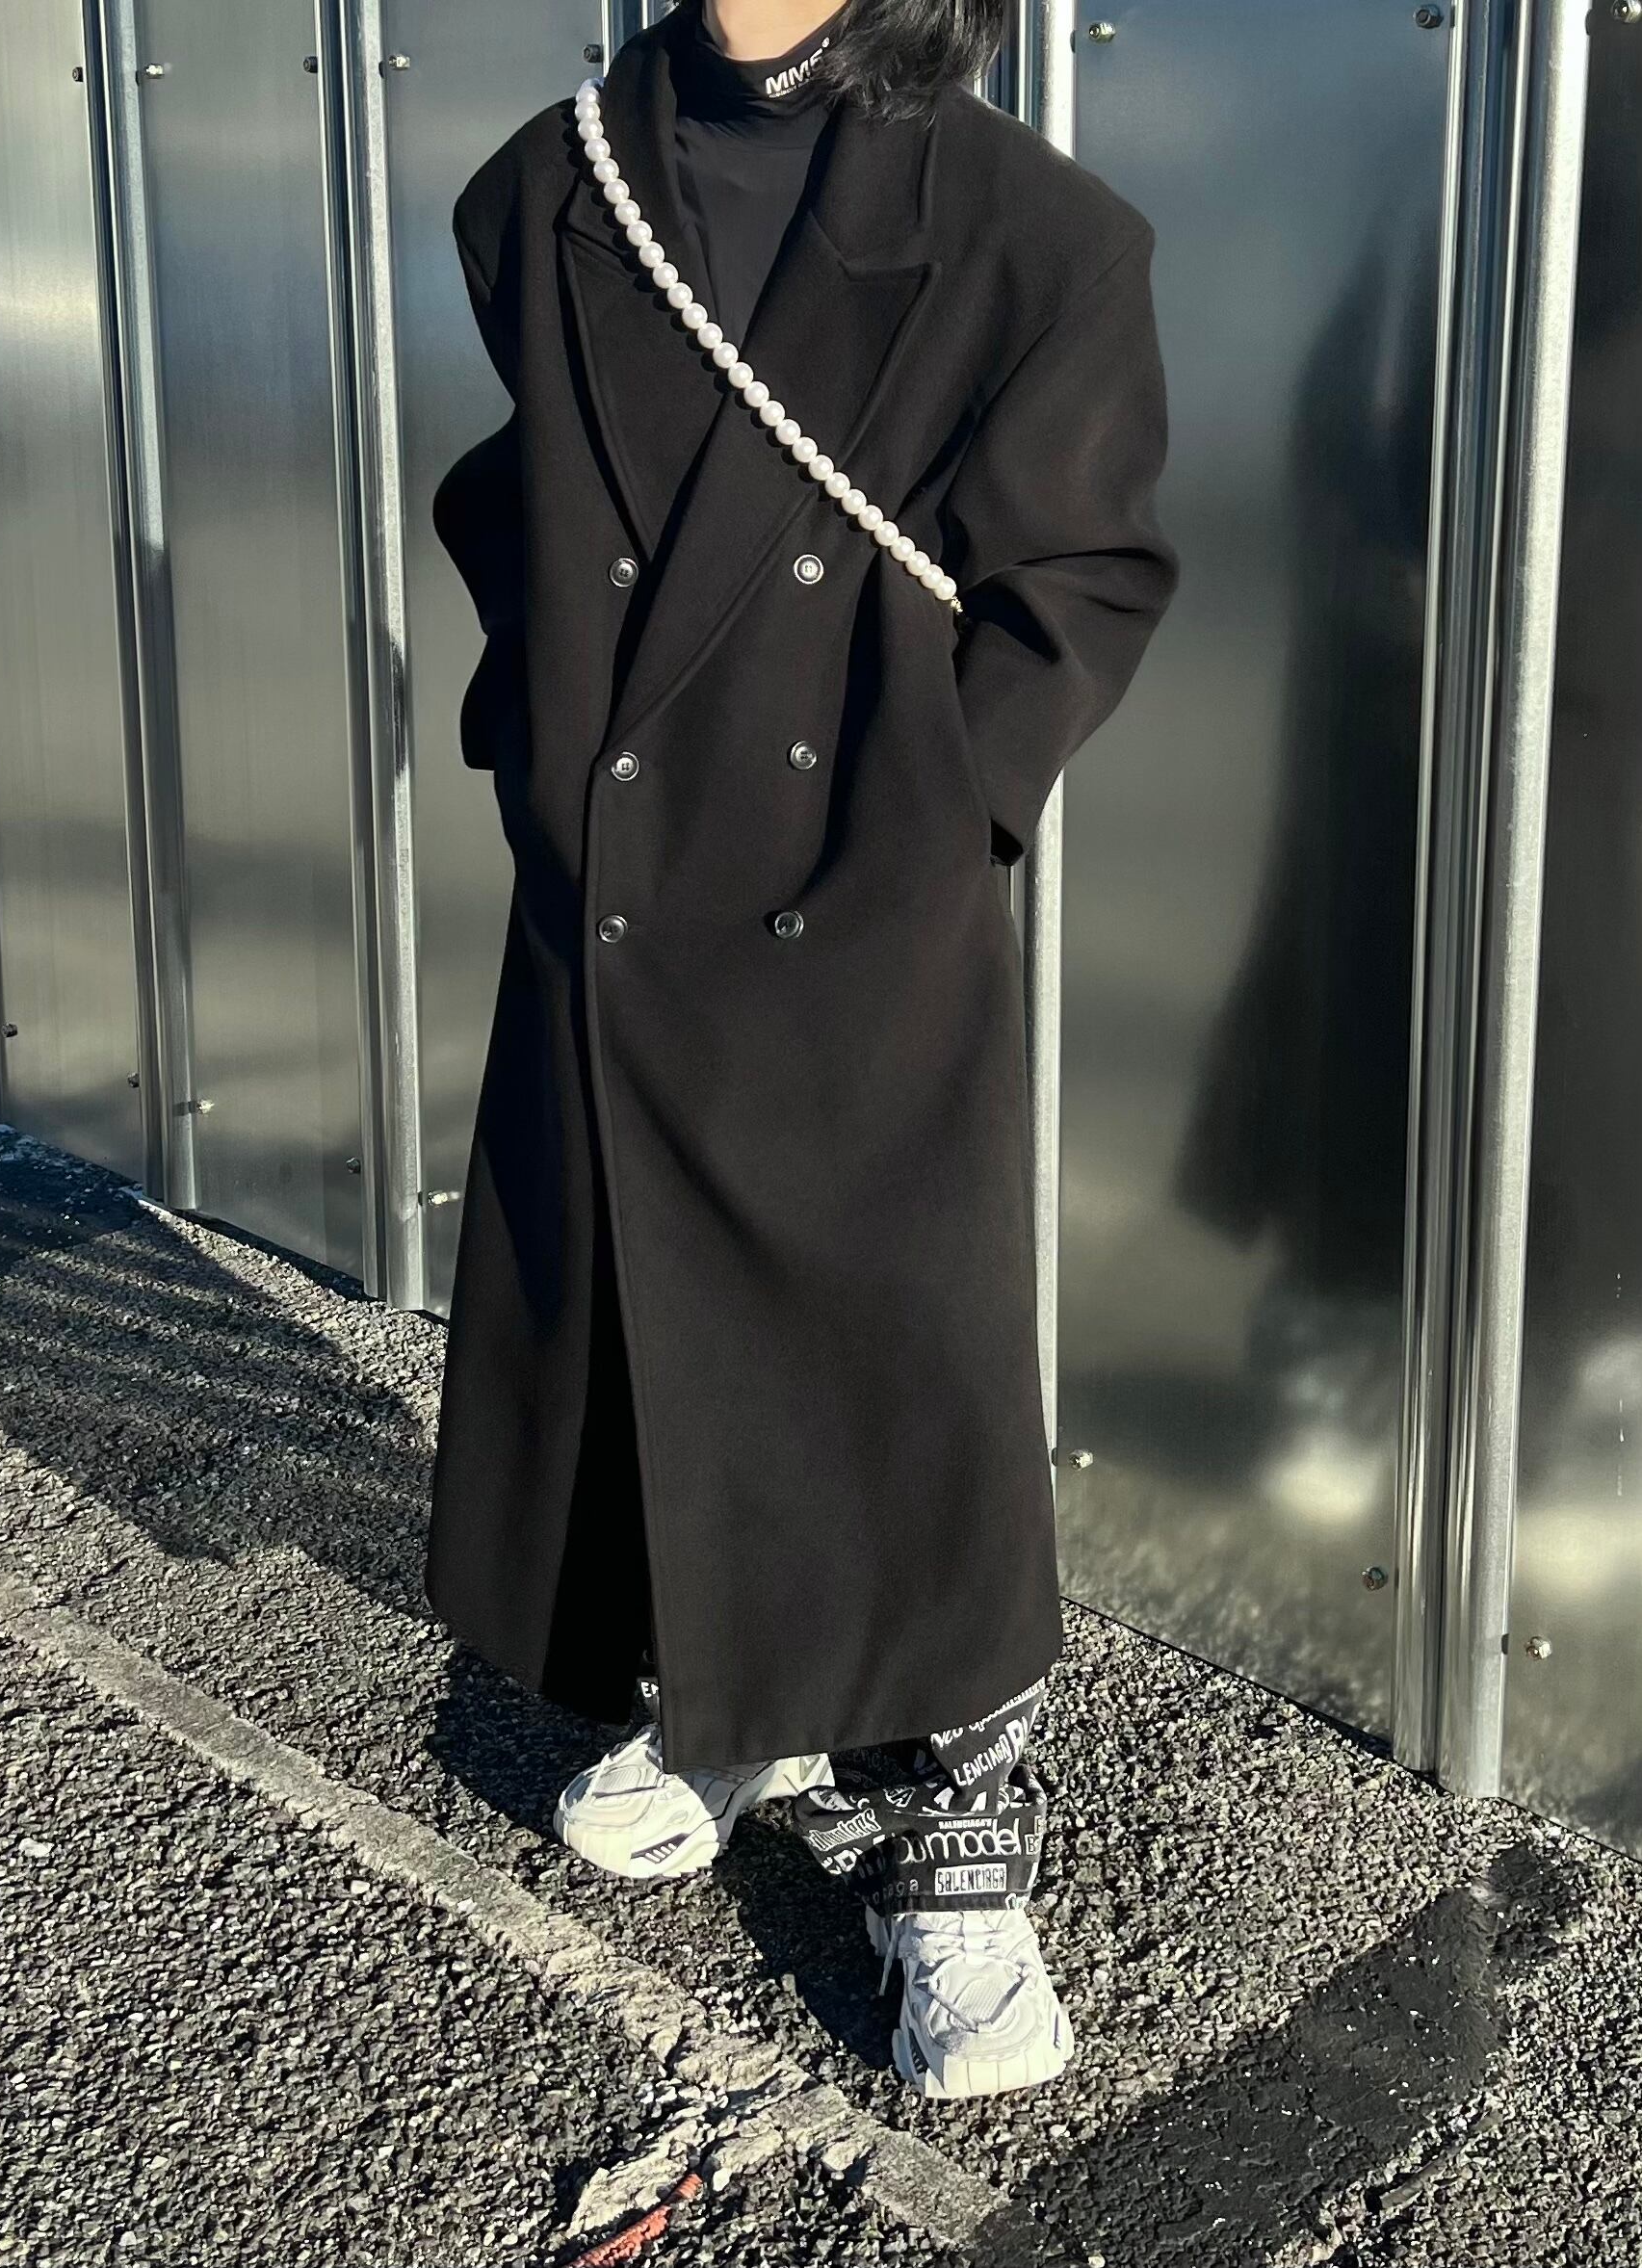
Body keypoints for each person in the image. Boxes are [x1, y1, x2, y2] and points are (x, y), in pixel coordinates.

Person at [425, 0, 1178, 2100]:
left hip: (853, 887)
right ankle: (729, 1698)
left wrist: (935, 817)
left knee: (898, 1347)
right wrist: (541, 754)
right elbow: (514, 501)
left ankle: (951, 1839)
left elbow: (1086, 573)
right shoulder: (546, 187)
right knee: (655, 1310)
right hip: (619, 885)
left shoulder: (1033, 229)